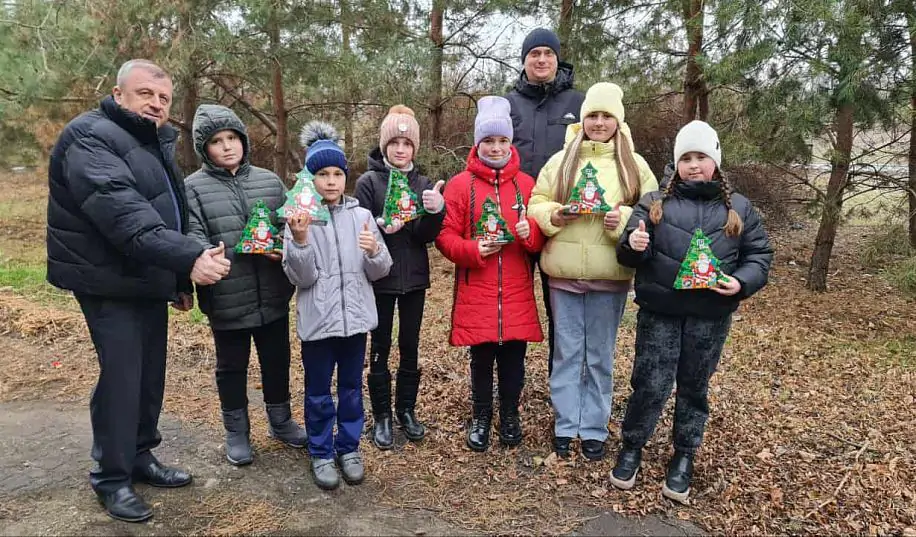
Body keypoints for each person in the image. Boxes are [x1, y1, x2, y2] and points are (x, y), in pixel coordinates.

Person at [46, 59, 231, 522]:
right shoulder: (89, 138)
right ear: (118, 93)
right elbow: (127, 218)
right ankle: (111, 477)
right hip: (107, 279)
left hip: (145, 275)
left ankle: (141, 456)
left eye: (164, 99)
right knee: (123, 376)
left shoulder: (149, 142)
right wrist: (190, 258)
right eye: (146, 93)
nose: (156, 104)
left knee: (150, 374)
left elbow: (166, 210)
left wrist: (174, 280)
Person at [610, 120, 773, 503]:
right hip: (659, 313)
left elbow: (760, 255)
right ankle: (632, 446)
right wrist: (633, 243)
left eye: (701, 157)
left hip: (710, 316)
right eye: (686, 157)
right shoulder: (653, 203)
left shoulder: (739, 209)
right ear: (676, 162)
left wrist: (741, 282)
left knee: (694, 387)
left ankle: (684, 455)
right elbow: (628, 253)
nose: (694, 165)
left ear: (715, 161)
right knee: (649, 384)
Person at [528, 82, 658, 462]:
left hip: (610, 276)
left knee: (599, 356)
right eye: (592, 116)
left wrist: (624, 223)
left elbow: (652, 213)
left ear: (618, 120)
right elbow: (536, 201)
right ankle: (567, 425)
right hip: (564, 276)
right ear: (583, 118)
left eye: (606, 116)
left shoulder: (634, 164)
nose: (598, 123)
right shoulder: (561, 160)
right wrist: (554, 215)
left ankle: (595, 428)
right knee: (567, 353)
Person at [184, 104, 305, 467]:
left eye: (232, 138)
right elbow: (191, 232)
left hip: (272, 291)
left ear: (243, 140)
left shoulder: (269, 181)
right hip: (226, 295)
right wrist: (205, 255)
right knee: (231, 366)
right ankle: (236, 430)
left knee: (277, 359)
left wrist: (281, 245)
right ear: (204, 148)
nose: (227, 146)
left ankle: (281, 420)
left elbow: (289, 222)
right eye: (217, 141)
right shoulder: (192, 188)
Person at [283, 121, 392, 490]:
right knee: (317, 391)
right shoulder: (299, 219)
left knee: (349, 388)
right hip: (318, 323)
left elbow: (381, 270)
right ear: (310, 179)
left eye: (337, 173)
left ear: (346, 177)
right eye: (322, 174)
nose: (330, 181)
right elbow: (302, 278)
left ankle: (348, 447)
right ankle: (321, 452)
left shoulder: (361, 216)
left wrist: (375, 250)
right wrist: (299, 241)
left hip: (356, 322)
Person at [435, 96, 545, 452]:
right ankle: (481, 417)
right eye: (489, 141)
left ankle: (510, 415)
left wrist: (532, 237)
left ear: (510, 144)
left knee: (514, 359)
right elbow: (445, 235)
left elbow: (541, 236)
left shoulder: (527, 186)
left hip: (516, 291)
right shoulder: (459, 185)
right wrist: (471, 250)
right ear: (477, 144)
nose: (495, 148)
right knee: (481, 360)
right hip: (477, 291)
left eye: (502, 141)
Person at [354, 105, 446, 450]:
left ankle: (406, 409)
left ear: (415, 148)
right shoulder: (368, 182)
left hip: (415, 280)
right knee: (379, 346)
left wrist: (436, 211)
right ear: (384, 145)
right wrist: (380, 227)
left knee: (410, 346)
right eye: (394, 142)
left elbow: (425, 236)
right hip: (380, 280)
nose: (400, 149)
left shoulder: (421, 183)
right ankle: (380, 416)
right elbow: (360, 226)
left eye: (407, 143)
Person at [505, 28, 586, 376]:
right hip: (516, 220)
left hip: (562, 219)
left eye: (548, 53)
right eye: (534, 53)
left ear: (558, 59)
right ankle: (511, 382)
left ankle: (563, 382)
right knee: (513, 304)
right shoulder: (508, 104)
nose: (541, 59)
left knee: (562, 311)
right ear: (524, 61)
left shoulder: (579, 103)